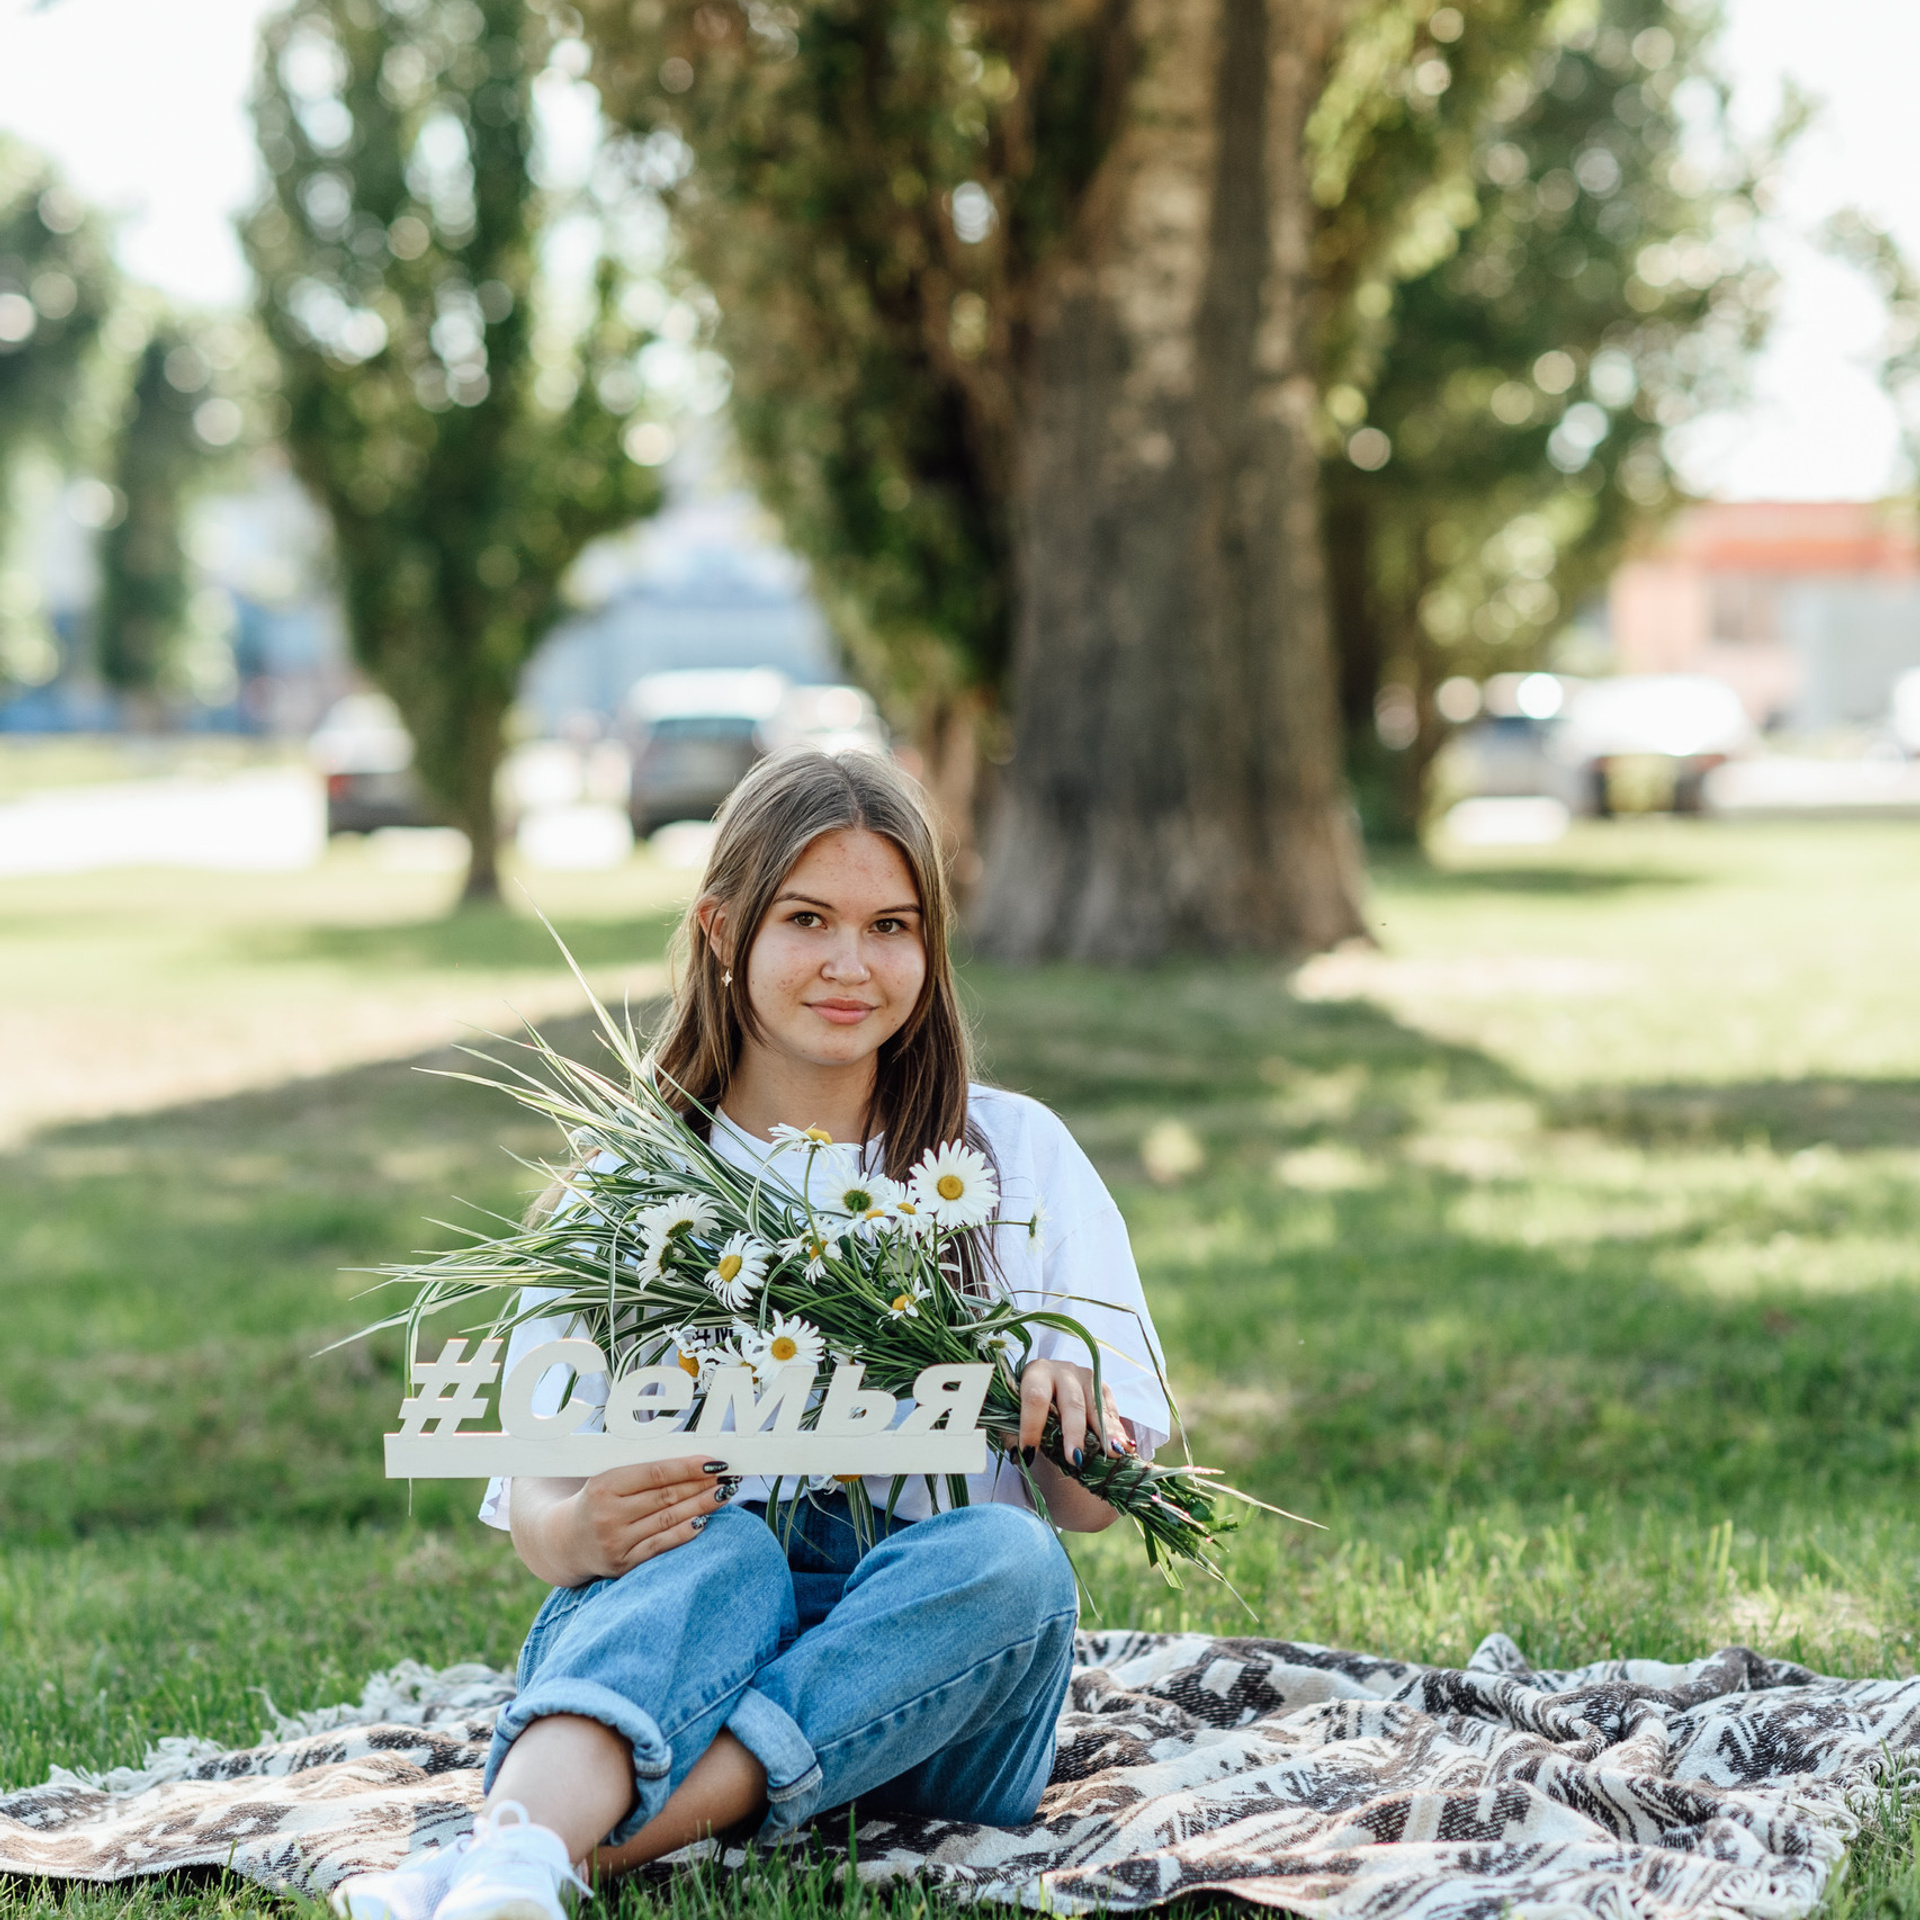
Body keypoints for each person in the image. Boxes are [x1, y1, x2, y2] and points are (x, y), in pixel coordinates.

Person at [333, 748, 1170, 1920]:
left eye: (891, 926)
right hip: (684, 1660)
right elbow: (537, 1512)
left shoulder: (1014, 1160)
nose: (850, 963)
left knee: (1010, 1562)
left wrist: (1070, 1423)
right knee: (724, 1554)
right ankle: (522, 1856)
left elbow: (1085, 1512)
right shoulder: (630, 1188)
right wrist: (583, 1523)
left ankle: (553, 1857)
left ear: (931, 948)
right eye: (807, 919)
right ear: (723, 930)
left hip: (934, 1703)